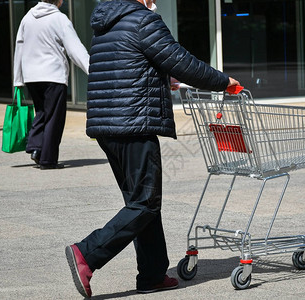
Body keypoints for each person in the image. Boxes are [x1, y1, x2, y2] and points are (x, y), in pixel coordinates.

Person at [65, 0, 240, 298]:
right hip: (134, 123)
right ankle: (88, 253)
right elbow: (181, 61)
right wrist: (222, 82)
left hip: (108, 125)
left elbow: (127, 64)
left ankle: (152, 274)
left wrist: (162, 78)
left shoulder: (106, 24)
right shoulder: (143, 20)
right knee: (144, 204)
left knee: (141, 203)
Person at [13, 0, 89, 170]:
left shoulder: (27, 18)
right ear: (59, 1)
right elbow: (75, 49)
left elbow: (19, 48)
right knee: (54, 118)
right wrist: (93, 69)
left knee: (41, 112)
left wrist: (18, 79)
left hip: (32, 77)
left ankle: (35, 147)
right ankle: (48, 160)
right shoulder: (60, 19)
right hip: (53, 75)